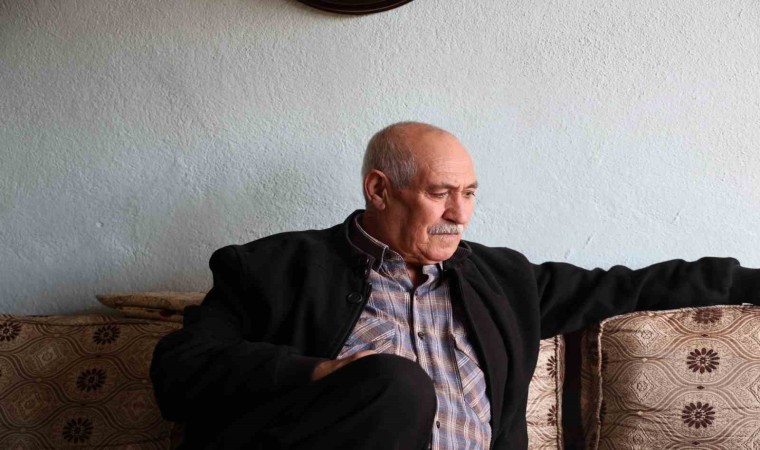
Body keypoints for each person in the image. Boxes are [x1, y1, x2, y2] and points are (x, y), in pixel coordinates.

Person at [151, 122, 760, 450]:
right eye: (440, 193)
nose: (460, 214)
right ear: (379, 190)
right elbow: (180, 370)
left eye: (469, 193)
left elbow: (631, 288)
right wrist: (322, 373)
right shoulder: (273, 268)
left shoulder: (503, 280)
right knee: (395, 384)